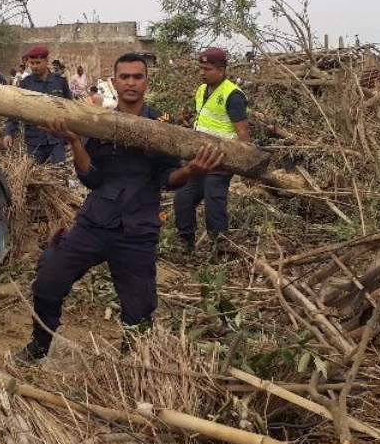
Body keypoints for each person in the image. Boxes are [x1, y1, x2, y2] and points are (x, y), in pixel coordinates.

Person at [15, 53, 225, 362]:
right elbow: (91, 178)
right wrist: (74, 141)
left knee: (139, 311)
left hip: (137, 231)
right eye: (124, 77)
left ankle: (131, 362)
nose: (130, 82)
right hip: (94, 224)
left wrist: (192, 170)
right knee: (48, 280)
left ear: (146, 82)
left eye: (137, 77)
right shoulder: (100, 124)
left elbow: (168, 178)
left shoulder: (161, 125)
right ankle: (40, 345)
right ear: (114, 82)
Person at [174, 47, 250, 253]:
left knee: (214, 200)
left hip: (221, 159)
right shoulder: (201, 90)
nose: (202, 73)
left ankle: (220, 247)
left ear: (222, 70)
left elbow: (243, 134)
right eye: (200, 68)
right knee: (183, 198)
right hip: (199, 157)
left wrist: (246, 166)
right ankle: (186, 242)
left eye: (207, 69)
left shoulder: (233, 95)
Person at [3, 45, 72, 164]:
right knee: (33, 176)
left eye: (38, 62)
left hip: (56, 140)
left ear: (46, 61)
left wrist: (71, 136)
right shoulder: (25, 84)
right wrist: (9, 133)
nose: (34, 66)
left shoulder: (60, 82)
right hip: (34, 142)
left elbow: (70, 109)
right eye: (32, 63)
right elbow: (15, 110)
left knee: (59, 175)